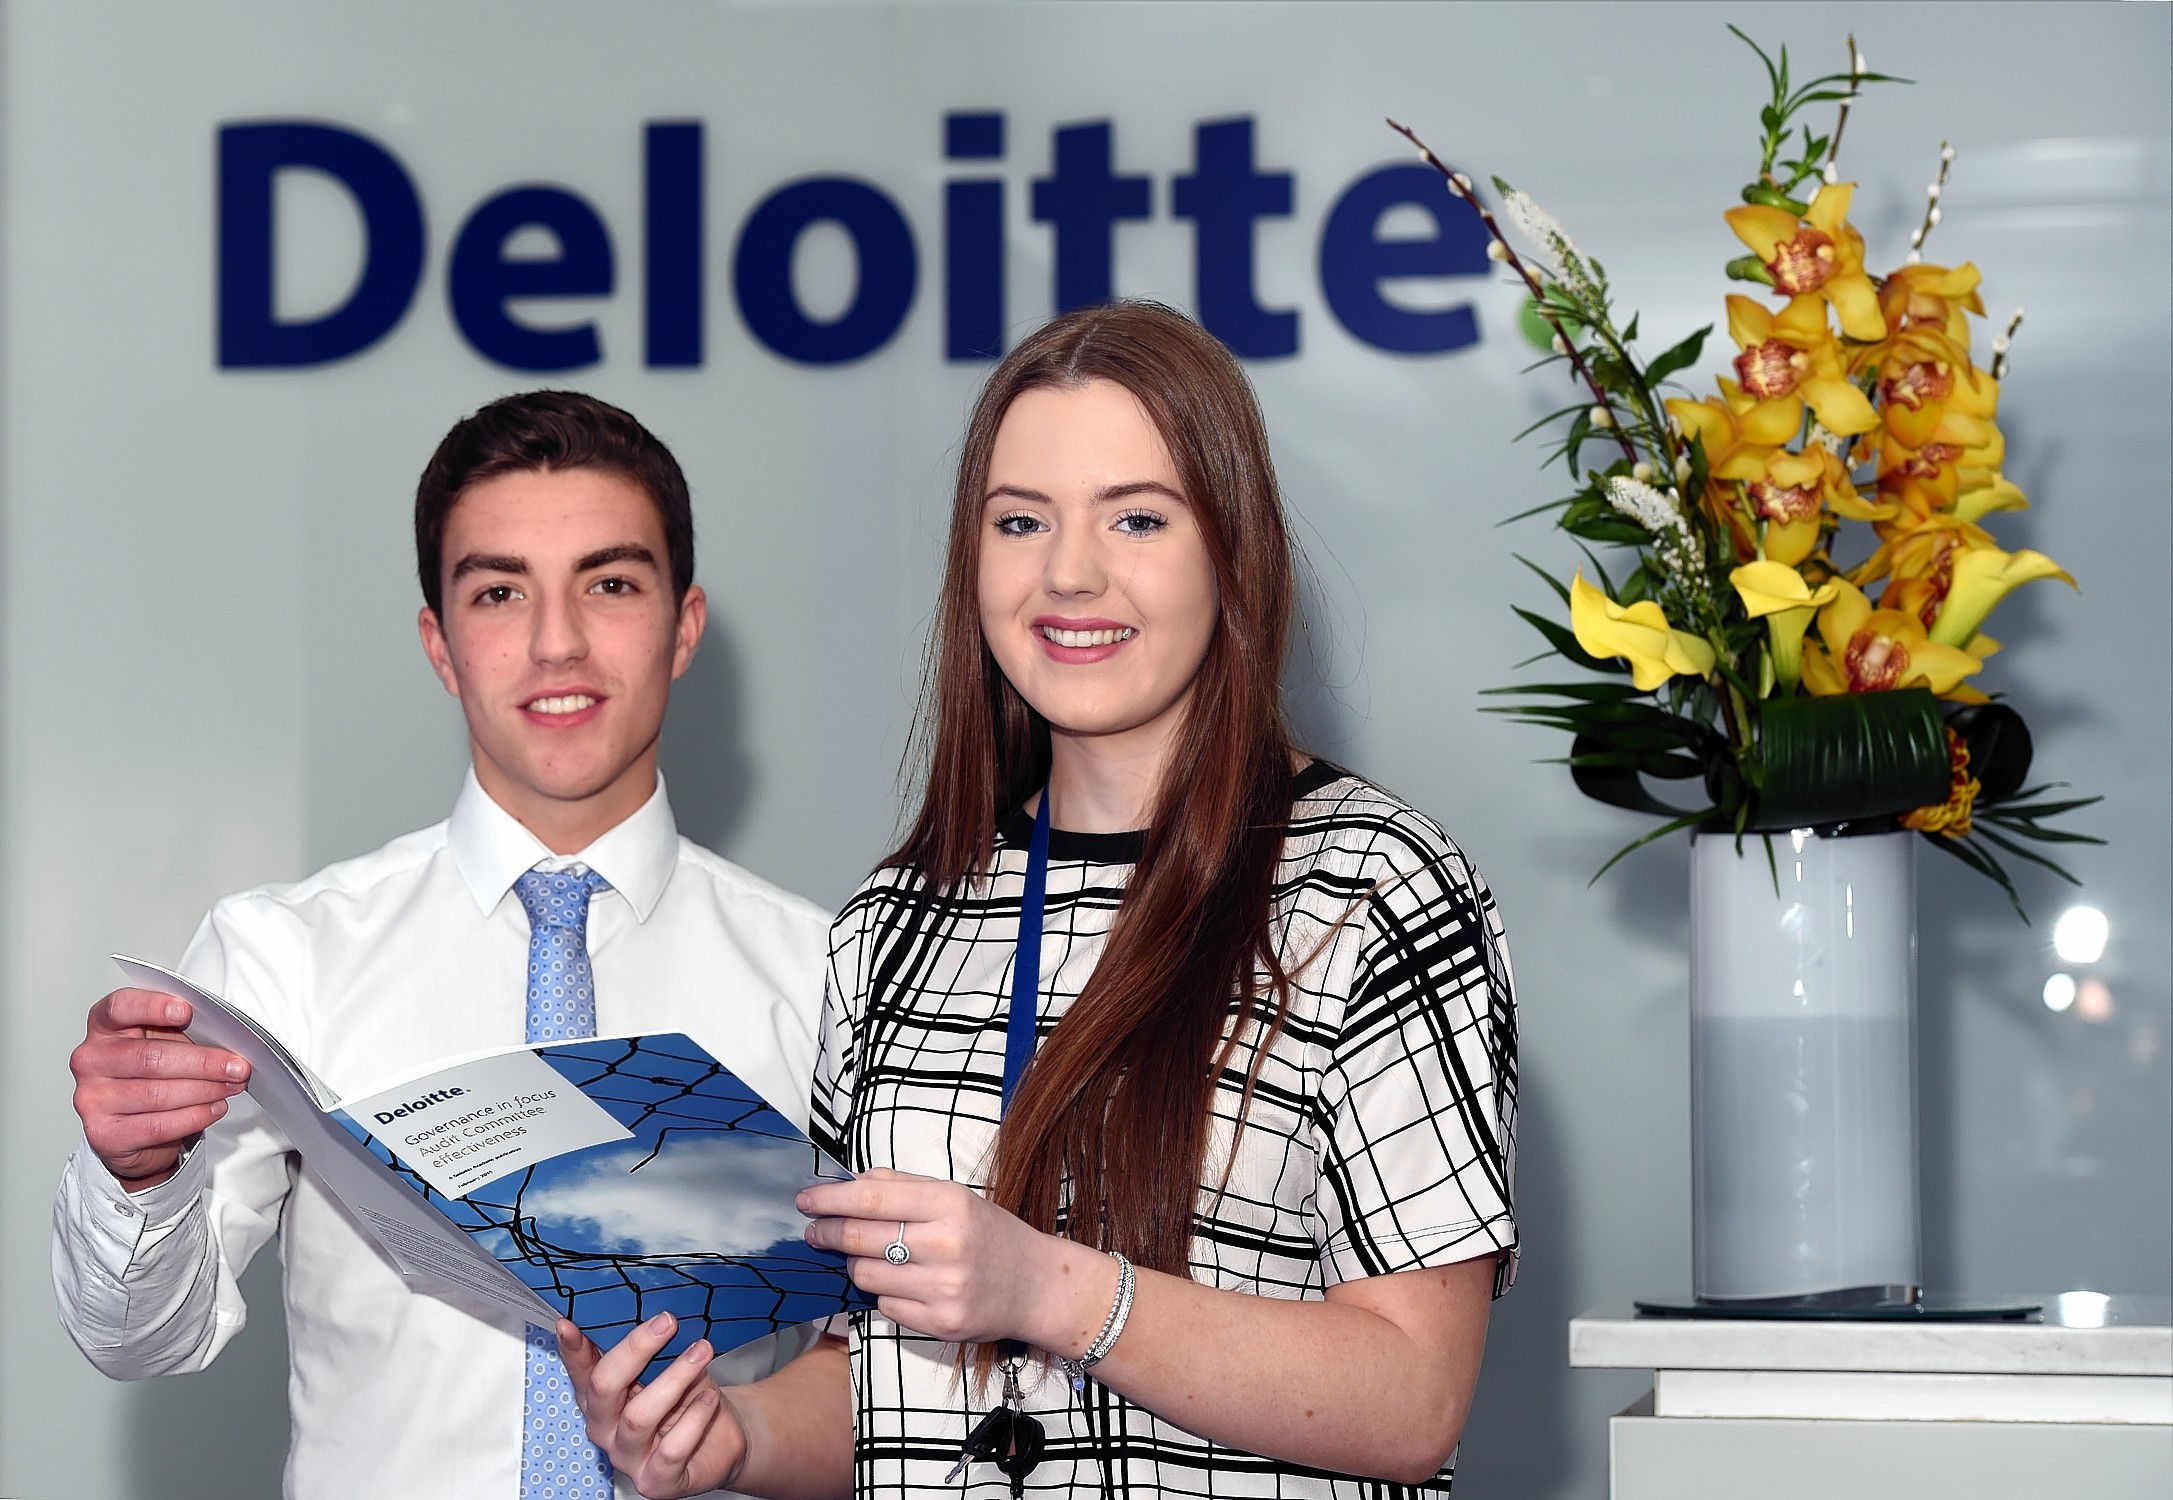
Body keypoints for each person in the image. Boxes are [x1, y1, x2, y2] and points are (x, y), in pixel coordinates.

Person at [562, 302, 1518, 1499]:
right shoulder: (897, 920)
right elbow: (882, 1385)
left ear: (1234, 549)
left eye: (1137, 517)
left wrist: (1049, 1290)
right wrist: (733, 1437)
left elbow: (1414, 1398)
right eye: (1021, 521)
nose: (1070, 573)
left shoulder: (1373, 887)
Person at [53, 391, 831, 1500]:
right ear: (440, 644)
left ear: (684, 625)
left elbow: (899, 1381)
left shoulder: (824, 976)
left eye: (610, 584)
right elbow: (136, 1341)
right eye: (500, 591)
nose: (556, 641)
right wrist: (133, 1176)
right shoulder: (283, 958)